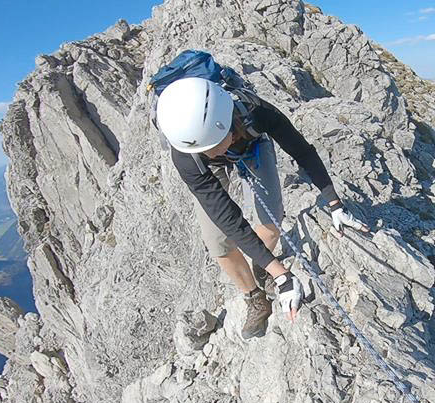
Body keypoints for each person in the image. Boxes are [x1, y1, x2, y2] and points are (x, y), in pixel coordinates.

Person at [157, 77, 369, 339]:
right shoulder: (188, 156)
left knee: (271, 223)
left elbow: (302, 152)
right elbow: (227, 217)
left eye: (211, 147)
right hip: (210, 172)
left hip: (252, 145)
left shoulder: (258, 113)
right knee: (217, 244)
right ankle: (255, 297)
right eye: (205, 150)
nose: (210, 153)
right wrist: (283, 276)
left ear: (227, 129)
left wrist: (335, 204)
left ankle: (262, 267)